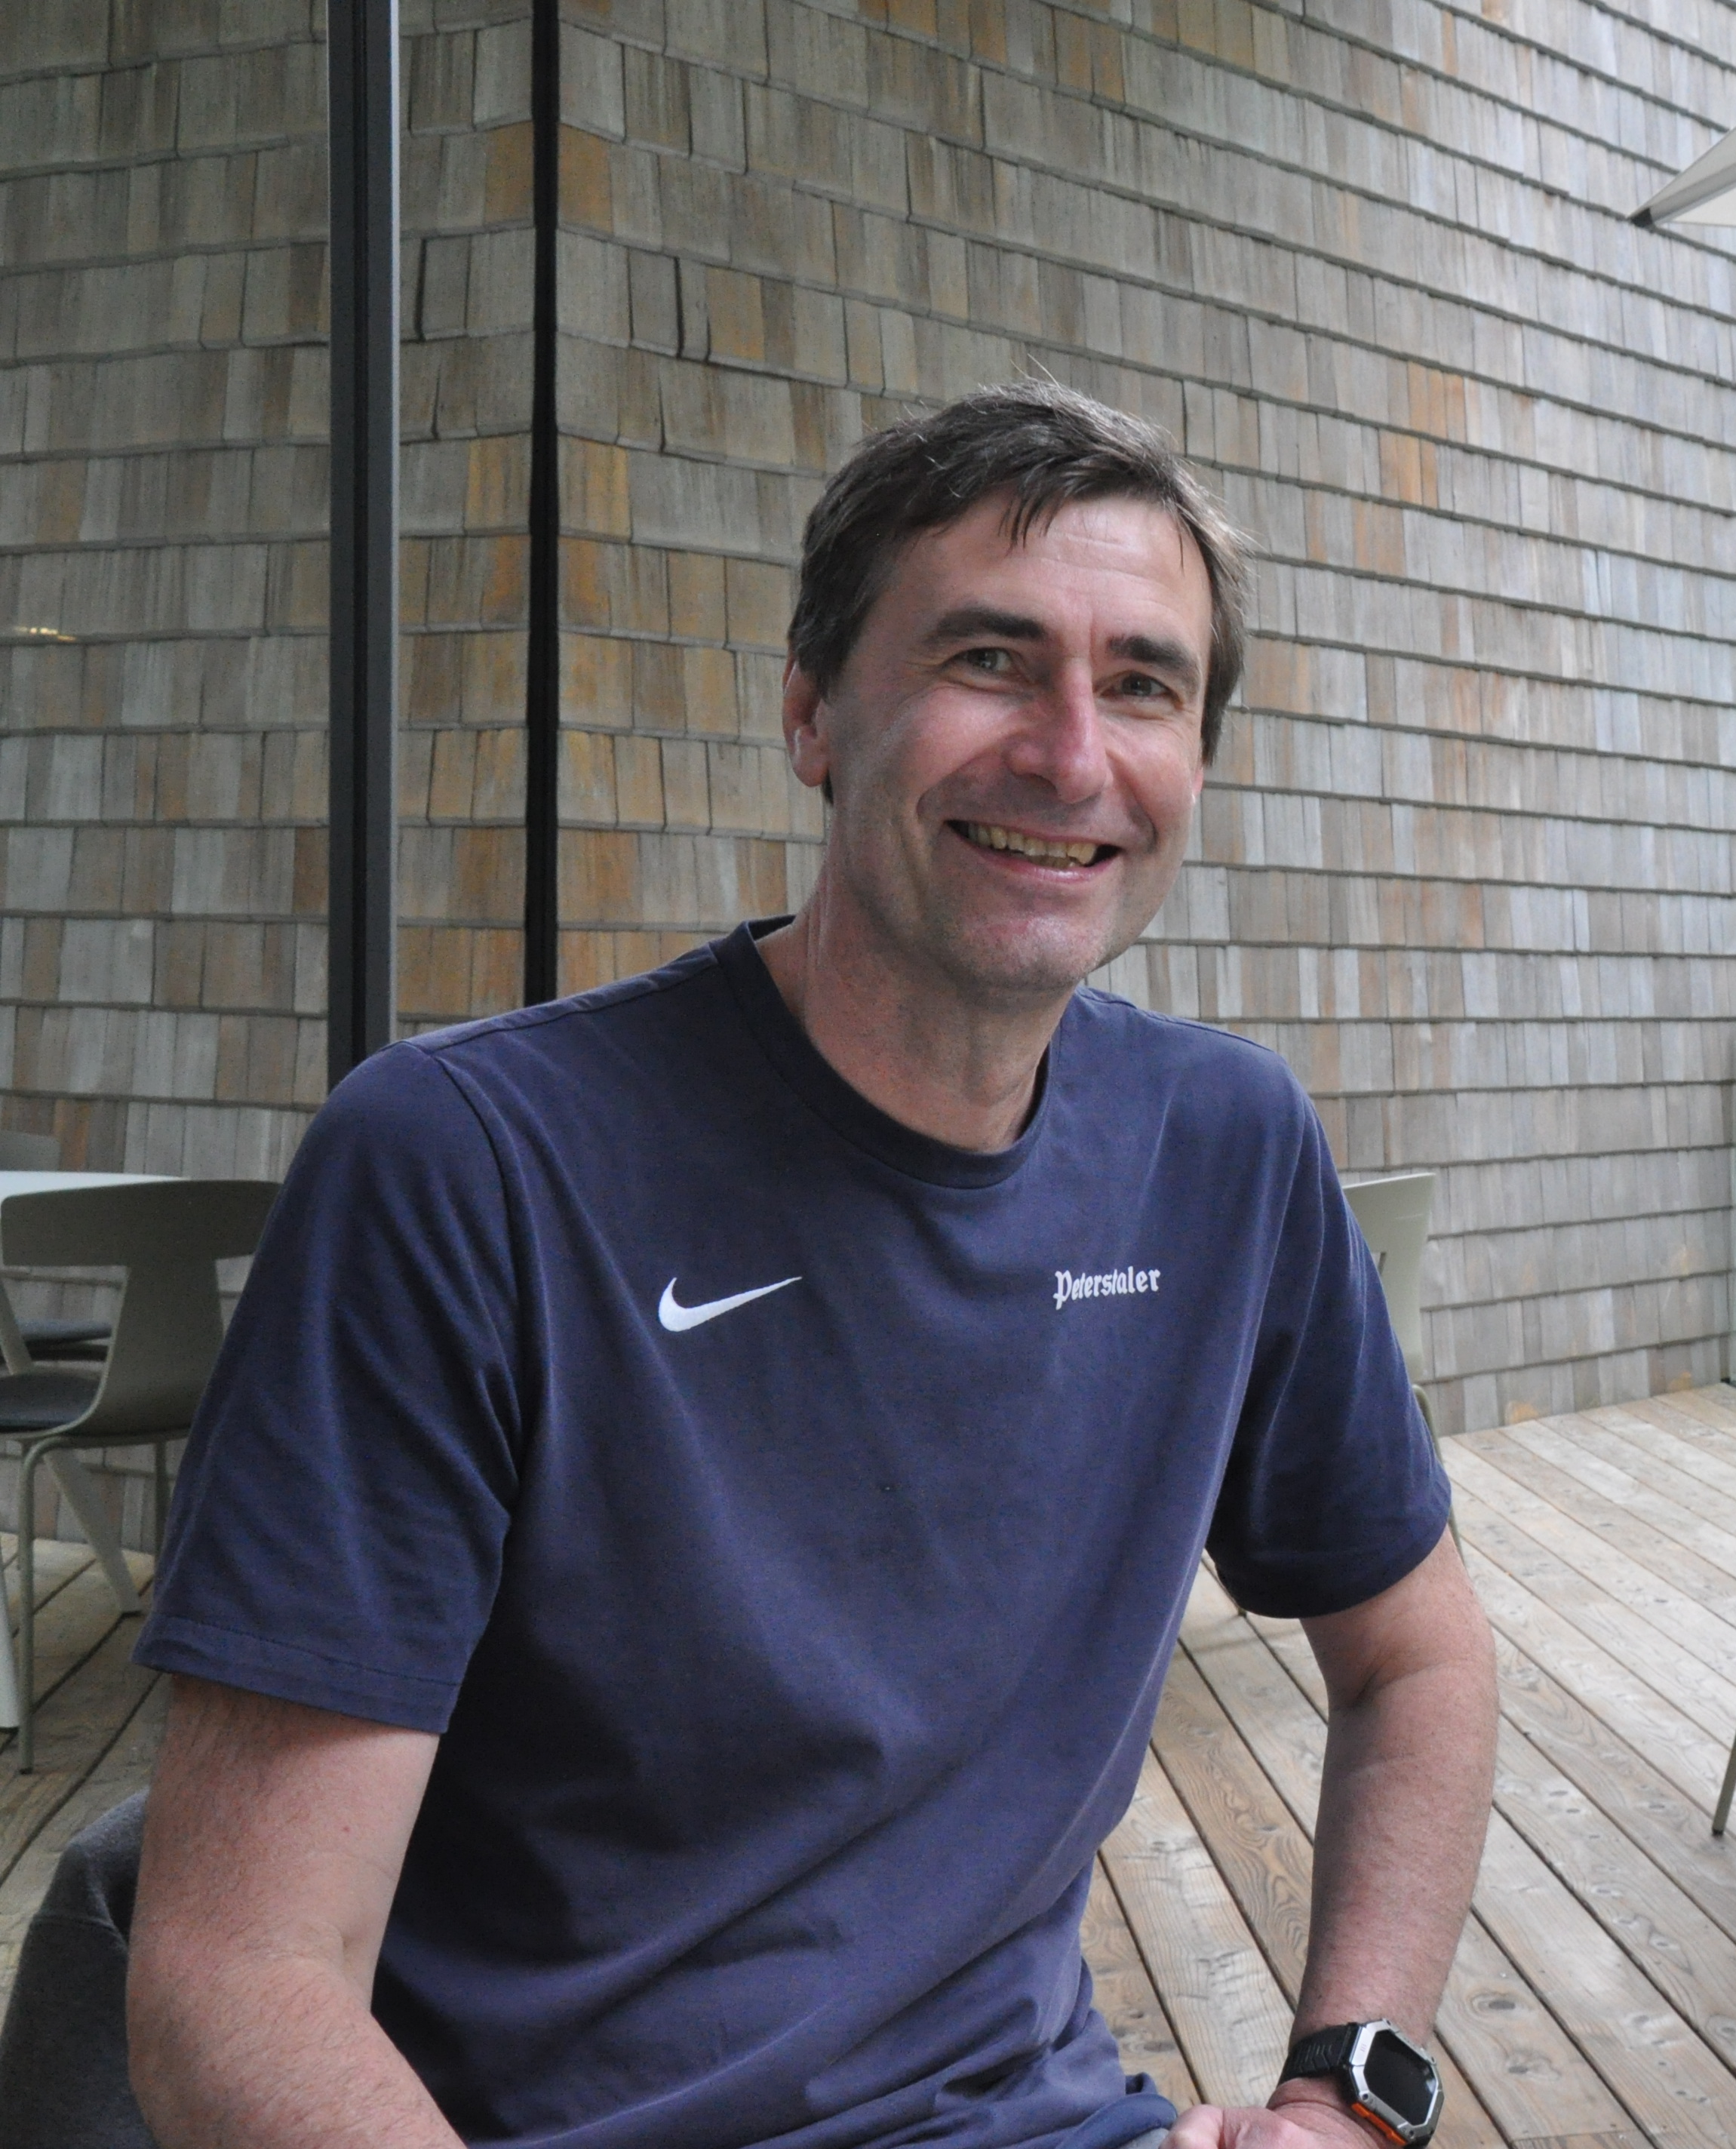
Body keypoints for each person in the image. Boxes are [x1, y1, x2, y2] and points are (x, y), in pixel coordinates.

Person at [118, 383, 1499, 2149]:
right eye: (990, 660)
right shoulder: (466, 1165)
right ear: (811, 715)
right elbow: (233, 1980)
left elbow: (1421, 1659)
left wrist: (1350, 2085)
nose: (1072, 756)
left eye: (1141, 682)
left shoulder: (1220, 1149)